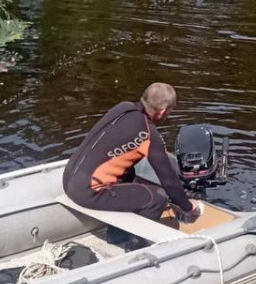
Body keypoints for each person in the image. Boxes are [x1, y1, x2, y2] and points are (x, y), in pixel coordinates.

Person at [63, 82, 201, 224]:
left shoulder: (123, 108)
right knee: (158, 197)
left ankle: (118, 225)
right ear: (162, 111)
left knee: (129, 173)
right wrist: (188, 206)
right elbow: (169, 181)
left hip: (68, 180)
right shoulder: (148, 134)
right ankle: (131, 242)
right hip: (88, 192)